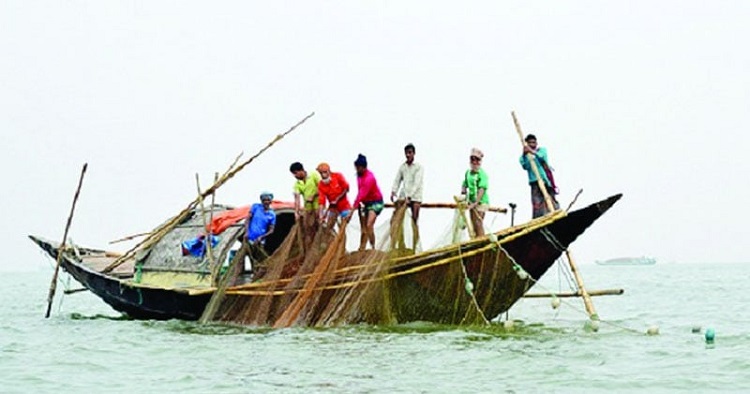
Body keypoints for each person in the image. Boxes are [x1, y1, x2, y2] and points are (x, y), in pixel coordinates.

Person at [519, 134, 560, 218]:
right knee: (537, 202)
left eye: (534, 142)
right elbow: (525, 166)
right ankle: (539, 217)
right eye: (530, 143)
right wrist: (525, 154)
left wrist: (531, 151)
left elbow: (542, 157)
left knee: (549, 198)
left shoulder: (542, 150)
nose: (532, 144)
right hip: (534, 182)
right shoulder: (524, 157)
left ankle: (554, 213)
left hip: (545, 180)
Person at [350, 154, 384, 251]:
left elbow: (361, 194)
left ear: (364, 167)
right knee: (363, 228)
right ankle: (362, 247)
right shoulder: (358, 176)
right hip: (366, 203)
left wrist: (352, 211)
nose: (356, 169)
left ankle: (373, 247)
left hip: (376, 202)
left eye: (358, 167)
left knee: (369, 225)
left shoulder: (369, 178)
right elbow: (359, 191)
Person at [390, 143, 424, 224]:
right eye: (406, 153)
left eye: (410, 152)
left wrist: (410, 196)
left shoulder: (418, 167)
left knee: (414, 219)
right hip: (404, 195)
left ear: (414, 153)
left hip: (415, 196)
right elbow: (397, 180)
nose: (408, 155)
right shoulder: (403, 167)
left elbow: (417, 183)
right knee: (397, 217)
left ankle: (415, 235)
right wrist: (393, 191)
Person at [290, 162, 321, 249]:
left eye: (295, 173)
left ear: (301, 171)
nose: (295, 176)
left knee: (319, 225)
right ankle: (310, 248)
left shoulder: (313, 175)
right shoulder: (297, 184)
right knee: (308, 229)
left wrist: (313, 196)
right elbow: (297, 198)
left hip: (318, 205)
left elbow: (322, 188)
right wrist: (297, 211)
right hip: (308, 208)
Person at [461, 148, 489, 237]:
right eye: (472, 159)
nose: (474, 162)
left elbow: (482, 189)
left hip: (481, 202)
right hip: (471, 202)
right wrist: (463, 192)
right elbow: (464, 184)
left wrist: (476, 202)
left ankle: (481, 241)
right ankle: (475, 240)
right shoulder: (468, 173)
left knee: (478, 222)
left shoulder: (482, 174)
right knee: (473, 224)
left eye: (477, 159)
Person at [316, 162, 352, 229]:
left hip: (344, 207)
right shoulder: (321, 185)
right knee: (329, 226)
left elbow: (346, 188)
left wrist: (337, 199)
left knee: (343, 227)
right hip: (333, 208)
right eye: (321, 173)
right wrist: (321, 215)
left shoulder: (338, 176)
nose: (323, 175)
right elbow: (321, 201)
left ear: (329, 171)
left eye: (325, 172)